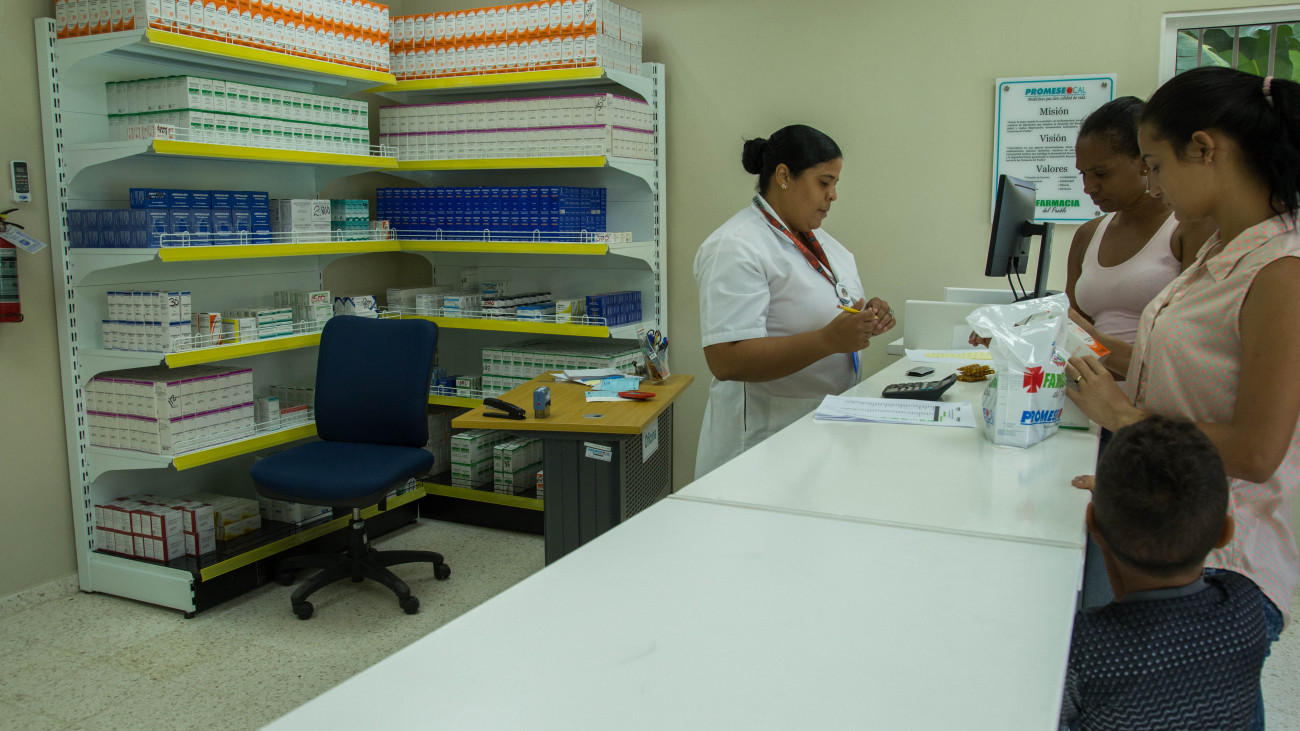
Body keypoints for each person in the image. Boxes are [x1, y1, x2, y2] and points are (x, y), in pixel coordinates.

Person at [1067, 66, 1300, 730]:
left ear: (1205, 148)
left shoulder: (1281, 269)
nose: (1154, 185)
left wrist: (1125, 418)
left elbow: (1257, 450)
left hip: (1223, 549)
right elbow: (1185, 368)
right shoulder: (1221, 251)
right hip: (1170, 515)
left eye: (1156, 164)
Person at [694, 125, 894, 478]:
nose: (833, 195)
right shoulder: (736, 246)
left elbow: (828, 310)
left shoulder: (827, 245)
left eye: (836, 183)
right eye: (824, 182)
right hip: (760, 446)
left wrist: (864, 319)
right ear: (784, 176)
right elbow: (726, 360)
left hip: (819, 433)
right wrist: (829, 340)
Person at [1060, 416, 1268, 731]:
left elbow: (1046, 716)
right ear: (1224, 533)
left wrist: (1107, 515)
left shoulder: (1083, 646)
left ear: (1093, 523)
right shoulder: (1246, 604)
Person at [1066, 96, 1215, 376]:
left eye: (1101, 173)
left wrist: (1090, 340)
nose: (1089, 187)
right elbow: (1072, 334)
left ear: (1144, 162)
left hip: (1154, 389)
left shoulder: (1188, 228)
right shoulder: (1088, 234)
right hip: (1093, 391)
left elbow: (1192, 349)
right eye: (1083, 174)